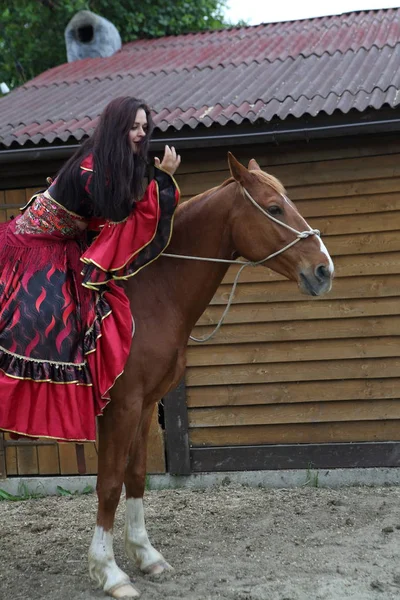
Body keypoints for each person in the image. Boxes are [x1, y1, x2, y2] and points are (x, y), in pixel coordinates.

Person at [0, 96, 180, 442]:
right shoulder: (91, 169)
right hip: (36, 246)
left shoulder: (116, 164)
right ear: (117, 127)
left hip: (69, 240)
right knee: (47, 315)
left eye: (145, 127)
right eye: (134, 127)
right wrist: (163, 182)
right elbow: (121, 222)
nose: (141, 134)